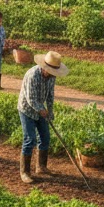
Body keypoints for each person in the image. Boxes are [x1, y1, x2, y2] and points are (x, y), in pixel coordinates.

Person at [17, 50, 68, 184]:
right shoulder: (32, 75)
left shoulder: (51, 77)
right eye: (50, 72)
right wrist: (41, 109)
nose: (52, 75)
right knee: (30, 139)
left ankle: (41, 166)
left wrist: (50, 112)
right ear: (44, 67)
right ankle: (25, 172)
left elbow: (50, 95)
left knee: (45, 137)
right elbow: (30, 98)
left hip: (41, 111)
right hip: (27, 109)